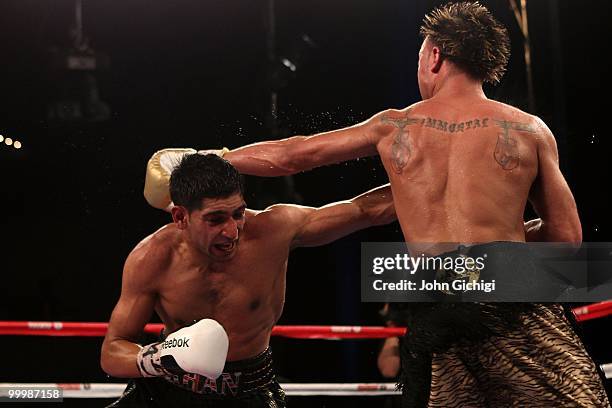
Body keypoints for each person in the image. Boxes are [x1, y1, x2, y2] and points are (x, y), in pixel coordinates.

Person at [207, 2, 609, 406]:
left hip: (436, 300)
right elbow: (567, 239)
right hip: (510, 291)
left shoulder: (394, 126)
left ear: (435, 56)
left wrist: (209, 157)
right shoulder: (528, 129)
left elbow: (293, 156)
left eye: (420, 56)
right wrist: (501, 245)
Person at [100, 152, 396, 407]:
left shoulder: (275, 230)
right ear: (180, 217)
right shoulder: (152, 258)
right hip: (167, 390)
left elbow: (366, 210)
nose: (232, 231)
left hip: (250, 388)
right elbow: (113, 352)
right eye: (216, 219)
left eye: (238, 213)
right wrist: (160, 359)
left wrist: (433, 177)